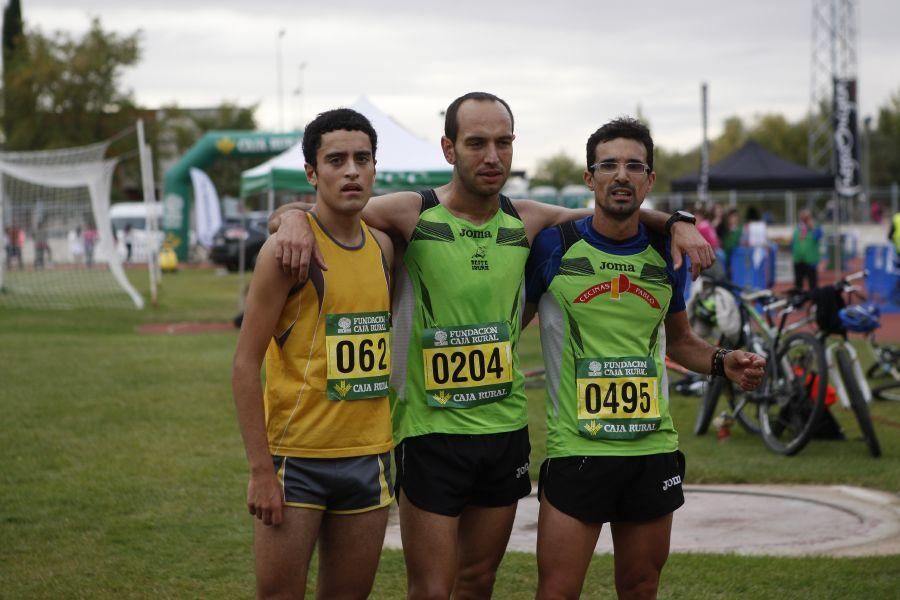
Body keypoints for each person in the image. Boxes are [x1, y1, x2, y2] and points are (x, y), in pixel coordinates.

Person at [269, 92, 714, 599]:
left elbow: (612, 209)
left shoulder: (527, 218)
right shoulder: (413, 212)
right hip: (430, 431)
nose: (492, 156)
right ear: (448, 148)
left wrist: (677, 220)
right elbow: (327, 207)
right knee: (433, 590)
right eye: (477, 143)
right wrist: (291, 219)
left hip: (505, 434)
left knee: (478, 582)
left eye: (503, 143)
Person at [524, 117, 766, 600]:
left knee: (640, 588)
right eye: (608, 165)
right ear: (589, 178)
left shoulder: (665, 254)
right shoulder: (553, 246)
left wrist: (723, 360)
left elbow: (680, 341)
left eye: (635, 166)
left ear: (650, 180)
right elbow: (510, 329)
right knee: (557, 591)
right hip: (578, 451)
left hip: (650, 451)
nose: (622, 175)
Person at [232, 108, 395, 599]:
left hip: (370, 458)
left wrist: (291, 214)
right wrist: (261, 471)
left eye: (362, 159)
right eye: (336, 159)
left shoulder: (386, 248)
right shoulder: (286, 254)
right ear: (312, 172)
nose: (351, 170)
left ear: (374, 168)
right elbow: (244, 365)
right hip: (296, 460)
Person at [791, 209, 823, 290]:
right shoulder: (797, 228)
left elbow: (819, 236)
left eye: (806, 217)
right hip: (798, 260)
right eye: (802, 217)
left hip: (810, 261)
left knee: (813, 284)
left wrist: (812, 228)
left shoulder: (815, 227)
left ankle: (814, 301)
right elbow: (794, 242)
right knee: (798, 284)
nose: (803, 219)